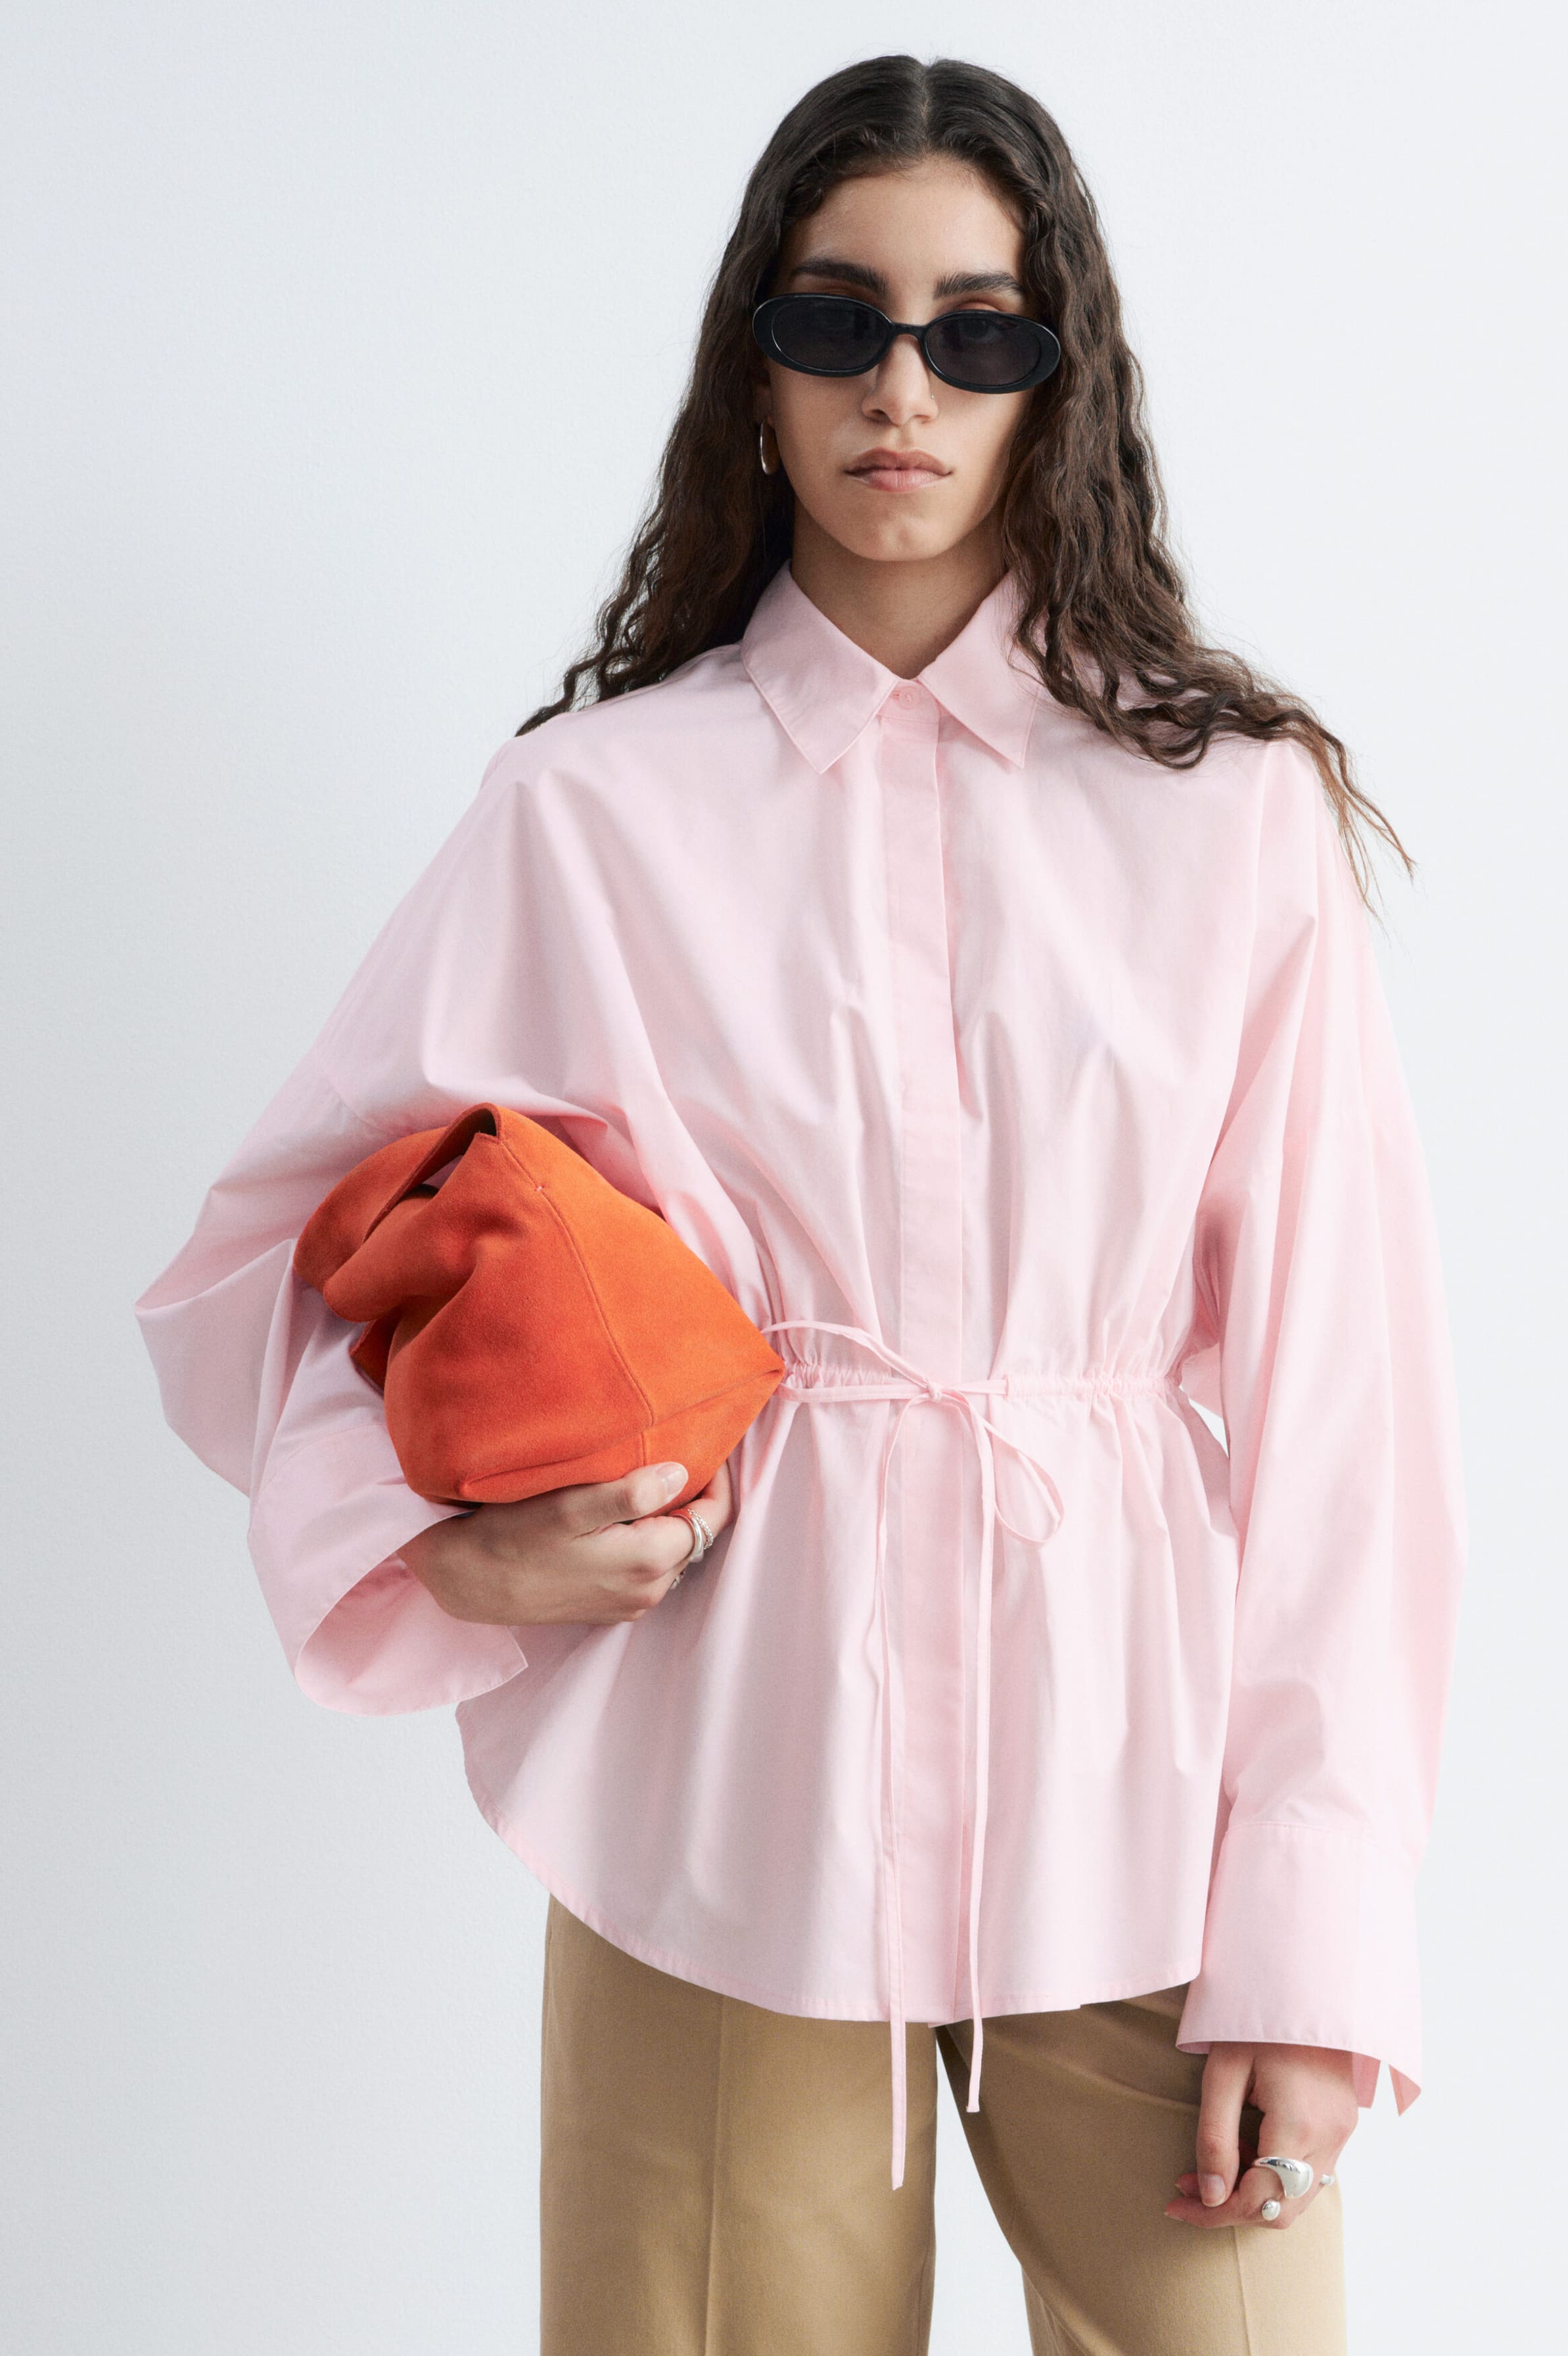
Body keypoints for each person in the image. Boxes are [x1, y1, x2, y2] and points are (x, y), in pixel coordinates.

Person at [134, 52, 1467, 2356]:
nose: (902, 389)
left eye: (979, 330)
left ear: (1062, 379)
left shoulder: (1228, 816)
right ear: (753, 365)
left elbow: (1351, 1411)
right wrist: (448, 1546)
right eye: (838, 320)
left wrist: (1322, 1933)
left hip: (1147, 1809)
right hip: (722, 1799)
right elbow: (268, 1267)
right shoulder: (592, 814)